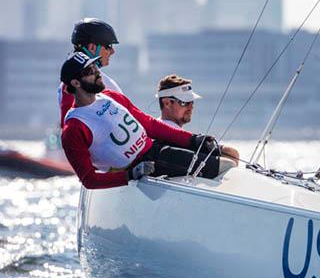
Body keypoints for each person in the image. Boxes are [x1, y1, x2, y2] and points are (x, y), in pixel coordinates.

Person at [60, 52, 223, 189]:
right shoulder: (74, 128)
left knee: (225, 156)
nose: (98, 73)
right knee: (224, 167)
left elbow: (149, 125)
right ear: (75, 82)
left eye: (96, 67)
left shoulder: (111, 97)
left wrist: (192, 140)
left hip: (157, 150)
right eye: (90, 70)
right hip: (148, 165)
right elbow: (89, 180)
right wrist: (130, 175)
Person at [156, 74, 240, 166]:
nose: (191, 107)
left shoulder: (156, 130)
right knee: (231, 153)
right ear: (167, 103)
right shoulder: (161, 135)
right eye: (184, 102)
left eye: (192, 102)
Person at [58, 18, 122, 128]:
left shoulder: (77, 80)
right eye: (108, 46)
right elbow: (70, 128)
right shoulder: (75, 83)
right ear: (92, 47)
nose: (112, 51)